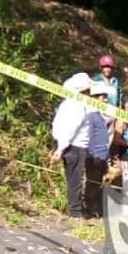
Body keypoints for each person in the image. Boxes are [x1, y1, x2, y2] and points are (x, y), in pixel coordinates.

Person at [51, 73, 93, 218]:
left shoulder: (68, 103)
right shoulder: (77, 106)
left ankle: (73, 210)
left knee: (72, 179)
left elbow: (58, 125)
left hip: (68, 144)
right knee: (75, 180)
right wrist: (60, 148)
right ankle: (74, 213)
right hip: (75, 146)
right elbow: (70, 128)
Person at [85, 82, 113, 216]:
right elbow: (88, 136)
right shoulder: (90, 115)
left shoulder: (99, 114)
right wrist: (91, 154)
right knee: (92, 183)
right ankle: (90, 208)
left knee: (97, 183)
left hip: (102, 155)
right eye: (103, 97)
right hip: (94, 155)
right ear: (95, 98)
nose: (106, 99)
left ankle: (95, 208)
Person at [93, 54, 123, 160]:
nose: (107, 69)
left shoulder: (115, 81)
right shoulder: (96, 80)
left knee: (109, 137)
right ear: (101, 68)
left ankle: (106, 158)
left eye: (109, 67)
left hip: (112, 113)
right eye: (105, 67)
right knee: (98, 136)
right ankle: (97, 157)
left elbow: (119, 95)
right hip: (99, 113)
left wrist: (119, 108)